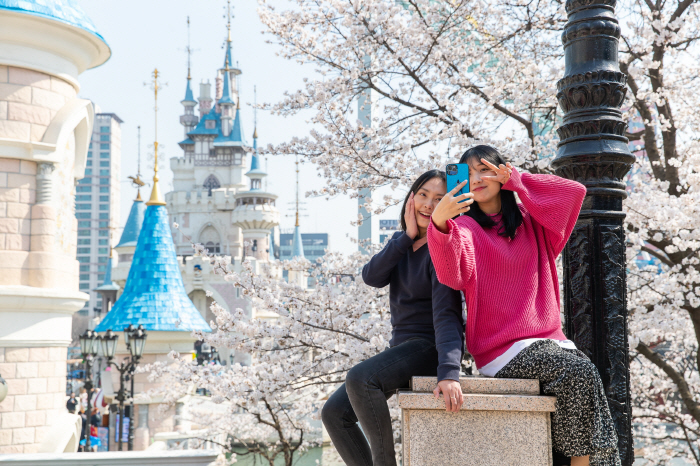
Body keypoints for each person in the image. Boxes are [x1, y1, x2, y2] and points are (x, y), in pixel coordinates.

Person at [427, 145, 620, 466]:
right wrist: (441, 223)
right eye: (469, 172)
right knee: (582, 372)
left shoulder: (534, 224)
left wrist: (518, 179)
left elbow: (574, 192)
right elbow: (452, 274)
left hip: (549, 343)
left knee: (592, 388)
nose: (477, 178)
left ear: (502, 172)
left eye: (486, 169)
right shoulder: (465, 230)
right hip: (500, 350)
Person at [322, 170, 465, 466]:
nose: (428, 204)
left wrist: (449, 372)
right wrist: (406, 237)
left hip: (428, 347)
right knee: (335, 414)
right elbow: (371, 276)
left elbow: (448, 315)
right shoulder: (402, 244)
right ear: (411, 198)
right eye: (423, 195)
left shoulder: (442, 250)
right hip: (402, 347)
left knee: (360, 377)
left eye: (439, 199)